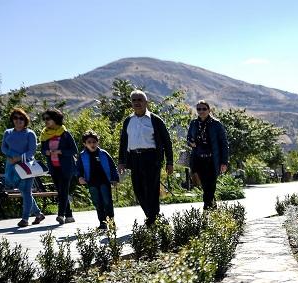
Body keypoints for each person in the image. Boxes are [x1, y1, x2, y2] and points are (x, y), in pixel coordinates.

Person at [118, 90, 173, 224]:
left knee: (151, 189)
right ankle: (152, 214)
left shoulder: (155, 120)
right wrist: (121, 161)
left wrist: (169, 162)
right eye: (134, 100)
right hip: (134, 159)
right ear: (131, 103)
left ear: (146, 102)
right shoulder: (128, 121)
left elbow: (167, 141)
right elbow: (123, 142)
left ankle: (152, 217)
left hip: (152, 158)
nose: (137, 103)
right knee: (138, 189)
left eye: (140, 100)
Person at [2, 108, 45, 228]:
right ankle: (38, 214)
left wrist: (19, 158)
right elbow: (3, 147)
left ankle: (25, 219)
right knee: (24, 192)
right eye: (15, 118)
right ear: (12, 120)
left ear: (25, 120)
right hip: (11, 166)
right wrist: (10, 156)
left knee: (26, 191)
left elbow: (31, 151)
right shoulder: (8, 132)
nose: (18, 120)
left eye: (21, 118)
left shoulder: (30, 133)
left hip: (26, 166)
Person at [185, 100, 228, 209]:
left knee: (211, 185)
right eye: (199, 109)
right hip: (198, 159)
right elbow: (188, 138)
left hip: (212, 160)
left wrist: (224, 162)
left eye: (204, 109)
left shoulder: (216, 124)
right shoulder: (194, 123)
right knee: (205, 186)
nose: (201, 111)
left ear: (209, 110)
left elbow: (223, 144)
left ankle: (207, 208)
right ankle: (212, 208)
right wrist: (191, 142)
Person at [40, 109, 78, 224]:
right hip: (53, 167)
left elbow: (74, 150)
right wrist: (46, 152)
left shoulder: (65, 134)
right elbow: (42, 149)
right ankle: (69, 215)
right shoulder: (44, 134)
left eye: (48, 119)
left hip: (66, 167)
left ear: (55, 119)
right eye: (44, 119)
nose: (45, 121)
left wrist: (61, 151)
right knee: (61, 191)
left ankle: (60, 215)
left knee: (63, 190)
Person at [76, 130, 120, 230]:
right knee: (97, 203)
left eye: (94, 142)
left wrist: (115, 178)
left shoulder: (104, 154)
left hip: (104, 181)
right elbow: (78, 169)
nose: (92, 144)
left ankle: (111, 222)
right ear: (85, 144)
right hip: (91, 183)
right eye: (89, 142)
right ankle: (102, 223)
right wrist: (80, 177)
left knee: (107, 201)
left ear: (97, 142)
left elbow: (112, 166)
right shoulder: (82, 156)